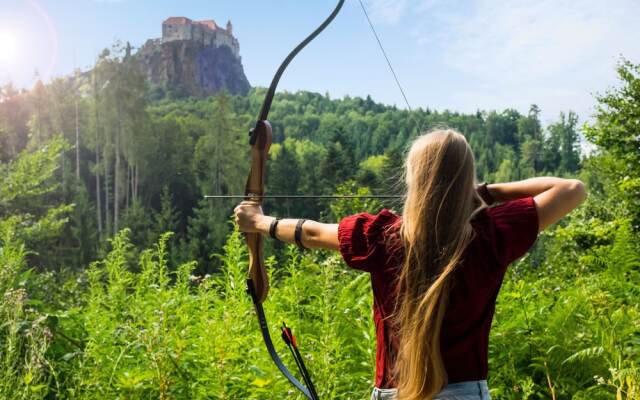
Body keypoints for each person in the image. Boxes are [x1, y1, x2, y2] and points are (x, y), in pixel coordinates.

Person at [234, 129, 587, 400]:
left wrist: (259, 222)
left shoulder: (380, 237)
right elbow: (572, 189)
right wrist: (485, 191)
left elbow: (310, 233)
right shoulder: (491, 236)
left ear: (413, 179)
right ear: (466, 179)